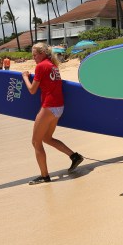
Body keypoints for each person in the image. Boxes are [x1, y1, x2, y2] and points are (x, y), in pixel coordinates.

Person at [21, 42, 83, 185]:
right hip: (59, 107)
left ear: (42, 53)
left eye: (35, 55)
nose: (34, 58)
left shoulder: (41, 66)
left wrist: (25, 76)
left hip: (49, 107)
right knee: (47, 138)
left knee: (36, 141)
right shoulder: (53, 65)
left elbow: (32, 90)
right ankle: (74, 156)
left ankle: (44, 176)